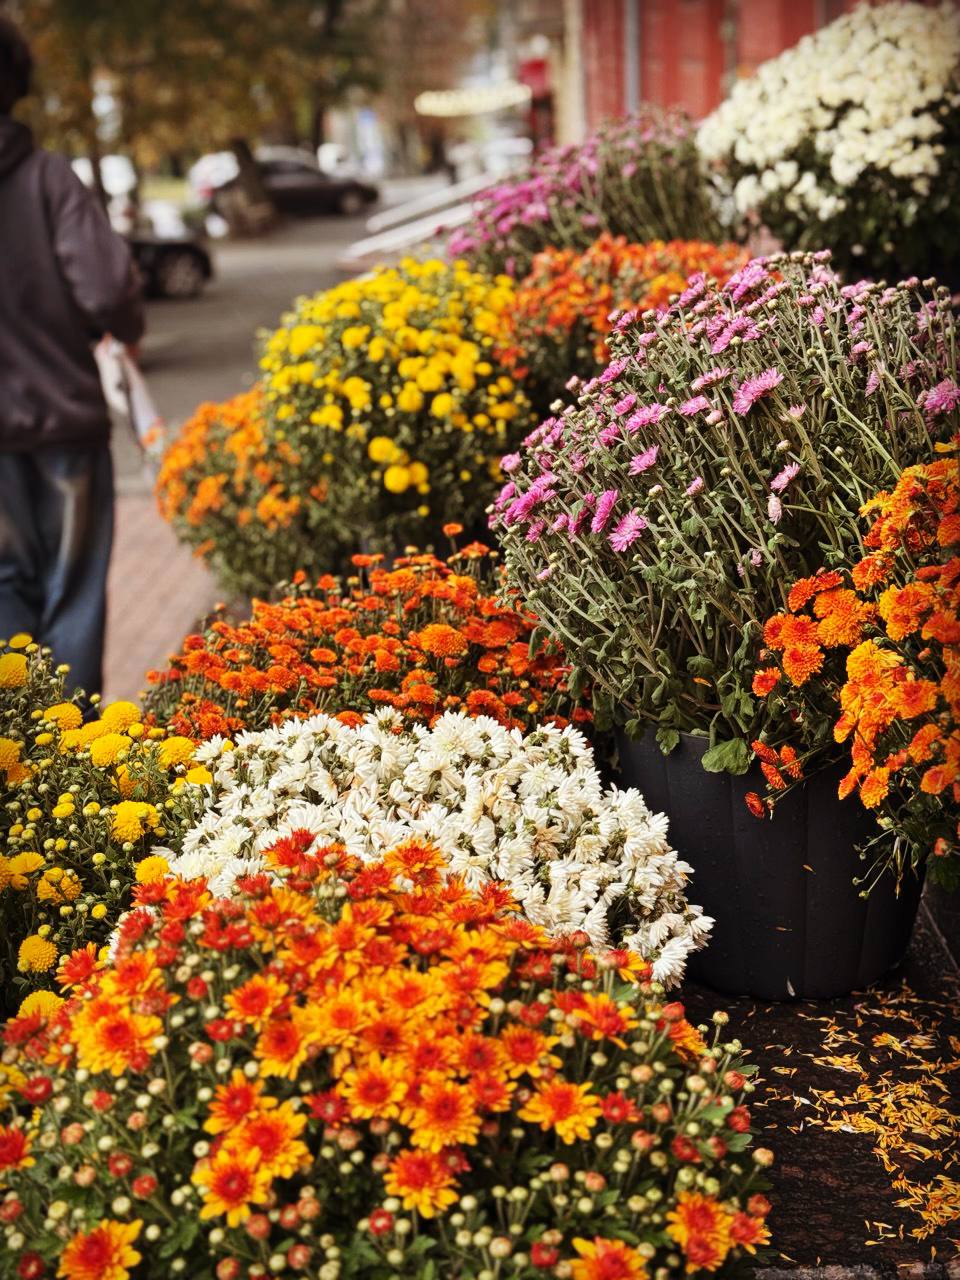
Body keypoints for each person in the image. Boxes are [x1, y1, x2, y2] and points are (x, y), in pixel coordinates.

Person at [0, 16, 143, 697]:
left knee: (3, 590)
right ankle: (71, 746)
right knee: (73, 591)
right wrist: (123, 327)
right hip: (65, 425)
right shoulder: (47, 178)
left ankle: (16, 743)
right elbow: (107, 288)